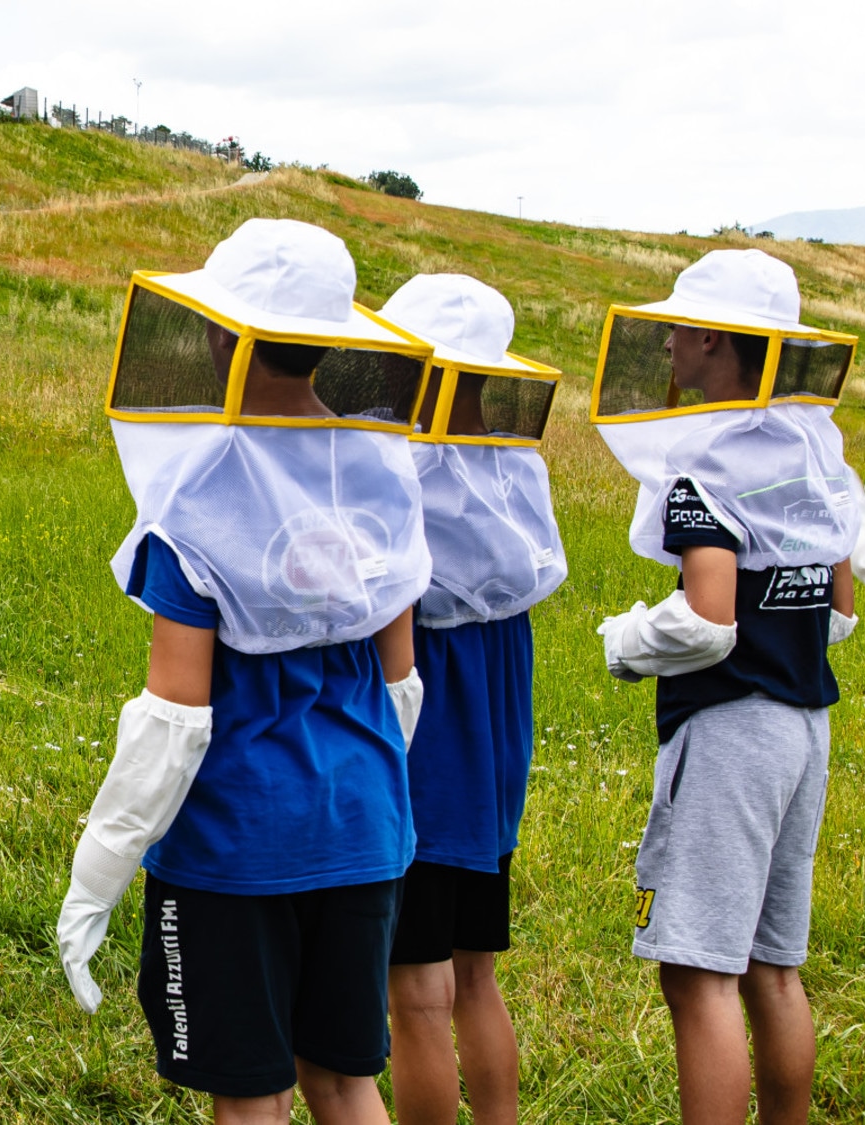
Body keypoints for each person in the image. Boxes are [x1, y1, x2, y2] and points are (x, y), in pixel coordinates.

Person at [57, 218, 432, 1123]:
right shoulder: (378, 471)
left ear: (225, 332)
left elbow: (174, 721)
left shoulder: (198, 491)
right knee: (345, 1080)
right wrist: (363, 797)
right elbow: (401, 682)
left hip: (240, 845)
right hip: (365, 826)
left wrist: (96, 873)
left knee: (251, 1093)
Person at [592, 249, 858, 1125]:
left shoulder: (704, 461)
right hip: (805, 727)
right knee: (774, 967)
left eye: (678, 325)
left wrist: (627, 641)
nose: (667, 342)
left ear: (711, 337)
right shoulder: (813, 450)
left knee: (700, 973)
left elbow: (708, 618)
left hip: (734, 728)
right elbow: (842, 610)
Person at [378, 274, 568, 1125]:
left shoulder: (404, 467)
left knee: (416, 994)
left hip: (431, 746)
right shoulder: (512, 466)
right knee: (476, 975)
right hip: (494, 738)